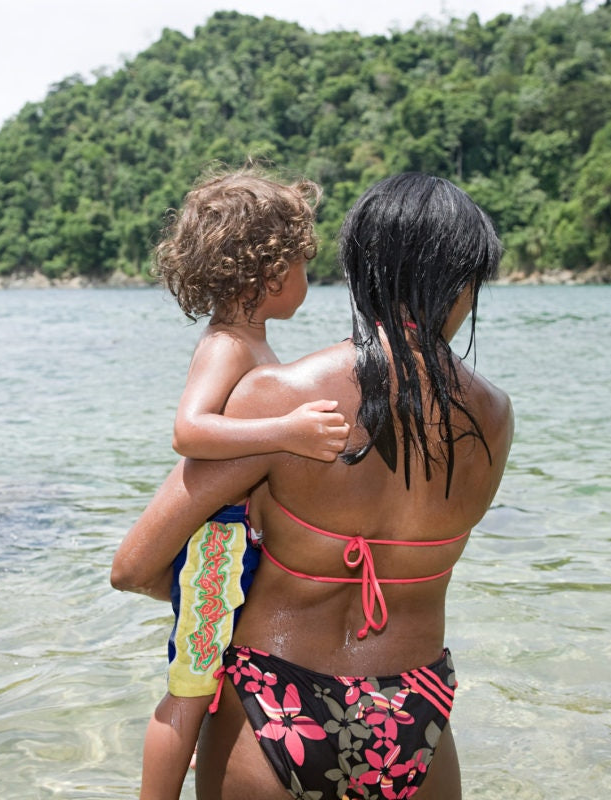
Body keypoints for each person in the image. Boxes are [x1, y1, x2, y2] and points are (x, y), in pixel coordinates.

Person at [112, 172, 513, 799]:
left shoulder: (281, 397)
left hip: (275, 705)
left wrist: (219, 593)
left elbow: (133, 567)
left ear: (360, 267)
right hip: (414, 712)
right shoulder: (494, 416)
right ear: (464, 283)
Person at [140, 168, 352, 800]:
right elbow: (189, 430)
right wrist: (286, 429)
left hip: (240, 545)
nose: (307, 281)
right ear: (270, 274)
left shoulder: (255, 346)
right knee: (191, 687)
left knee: (213, 683)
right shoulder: (228, 345)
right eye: (303, 267)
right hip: (216, 549)